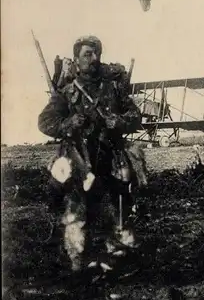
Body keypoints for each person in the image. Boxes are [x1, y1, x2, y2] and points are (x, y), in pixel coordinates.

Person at [38, 35, 145, 272]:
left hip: (110, 157)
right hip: (79, 159)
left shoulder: (114, 88)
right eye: (88, 54)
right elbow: (44, 122)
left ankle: (118, 259)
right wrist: (68, 123)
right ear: (76, 59)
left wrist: (117, 121)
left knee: (117, 208)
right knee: (76, 210)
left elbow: (135, 117)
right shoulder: (67, 92)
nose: (94, 59)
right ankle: (78, 262)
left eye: (96, 53)